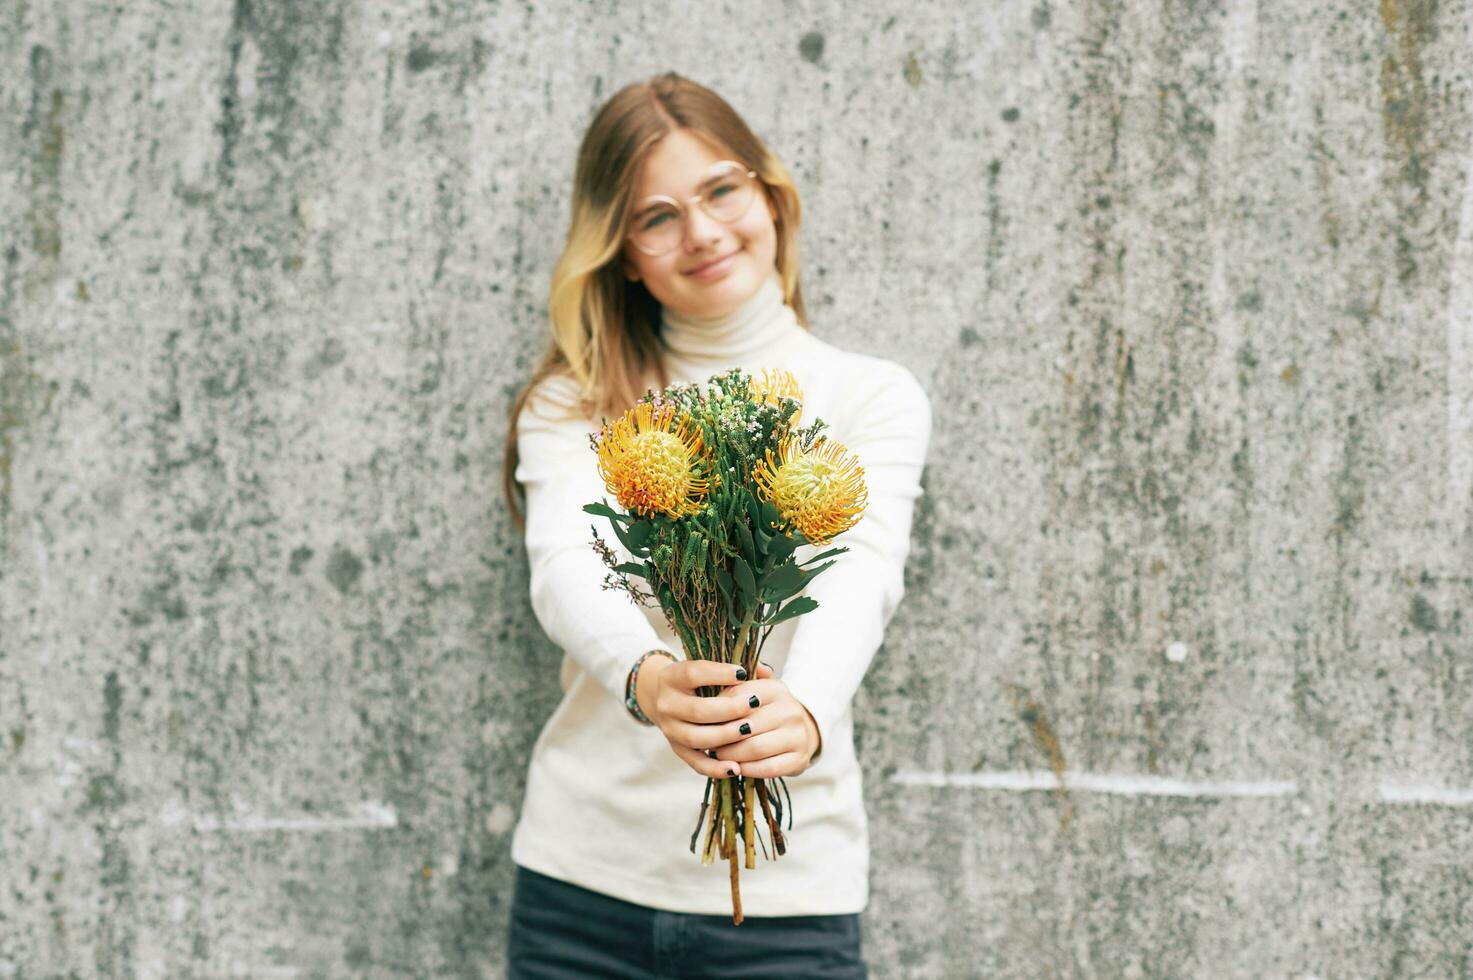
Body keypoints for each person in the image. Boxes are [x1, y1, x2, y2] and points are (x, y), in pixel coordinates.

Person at [500, 71, 932, 979]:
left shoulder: (870, 397)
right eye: (656, 216)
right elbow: (567, 570)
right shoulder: (575, 402)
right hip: (582, 887)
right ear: (621, 251)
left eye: (720, 190)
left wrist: (803, 712)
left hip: (786, 895)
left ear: (769, 195)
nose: (700, 231)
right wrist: (647, 678)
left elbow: (863, 577)